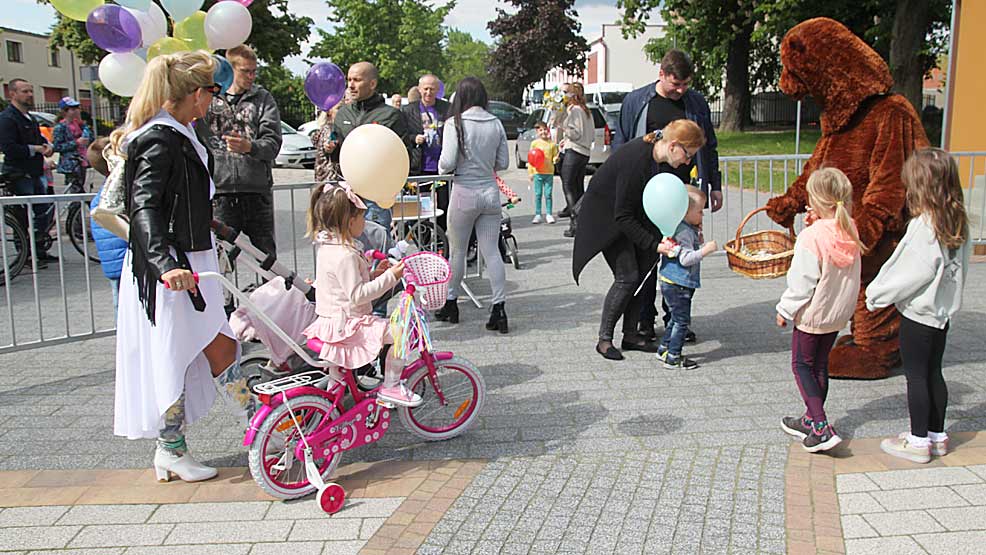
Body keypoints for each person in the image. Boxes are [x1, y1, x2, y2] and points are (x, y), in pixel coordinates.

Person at [112, 51, 255, 483]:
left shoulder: (180, 133)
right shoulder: (159, 138)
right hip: (173, 269)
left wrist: (212, 225)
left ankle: (263, 428)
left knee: (216, 347)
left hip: (190, 258)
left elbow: (178, 199)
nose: (214, 99)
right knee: (188, 352)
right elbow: (145, 208)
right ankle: (181, 445)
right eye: (211, 92)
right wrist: (164, 263)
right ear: (196, 94)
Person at [866, 148, 971, 464]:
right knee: (932, 371)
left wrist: (876, 294)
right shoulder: (958, 222)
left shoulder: (925, 226)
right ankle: (937, 435)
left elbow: (912, 271)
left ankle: (918, 440)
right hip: (941, 313)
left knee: (915, 375)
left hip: (919, 314)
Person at [572, 119, 705, 361]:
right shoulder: (637, 160)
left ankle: (631, 335)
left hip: (630, 216)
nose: (688, 162)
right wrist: (654, 243)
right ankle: (604, 340)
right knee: (628, 276)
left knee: (644, 271)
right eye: (688, 155)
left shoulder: (656, 157)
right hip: (606, 221)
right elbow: (621, 216)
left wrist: (666, 237)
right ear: (674, 145)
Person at [615, 50, 722, 342]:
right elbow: (622, 145)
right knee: (650, 256)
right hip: (648, 196)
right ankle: (644, 321)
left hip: (683, 196)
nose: (681, 90)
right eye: (676, 84)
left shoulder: (695, 102)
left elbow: (709, 145)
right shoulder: (637, 101)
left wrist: (715, 184)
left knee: (680, 255)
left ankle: (677, 319)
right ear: (661, 74)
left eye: (686, 84)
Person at [301, 182, 421, 407]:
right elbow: (358, 295)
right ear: (350, 221)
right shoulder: (345, 255)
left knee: (338, 380)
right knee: (401, 334)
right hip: (347, 326)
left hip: (332, 323)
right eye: (362, 218)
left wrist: (375, 273)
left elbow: (344, 286)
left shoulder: (328, 247)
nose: (366, 224)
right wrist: (391, 278)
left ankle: (330, 412)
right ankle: (392, 385)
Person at [775, 168, 863, 453]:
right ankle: (811, 418)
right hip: (837, 312)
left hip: (814, 314)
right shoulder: (849, 227)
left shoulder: (812, 237)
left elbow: (802, 281)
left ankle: (821, 427)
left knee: (801, 366)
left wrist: (785, 309)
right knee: (820, 365)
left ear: (814, 200)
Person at [435, 77, 518, 332]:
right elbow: (503, 162)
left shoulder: (454, 123)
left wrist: (443, 169)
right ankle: (499, 307)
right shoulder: (495, 123)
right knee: (491, 251)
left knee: (458, 251)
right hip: (489, 192)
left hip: (464, 191)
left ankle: (451, 302)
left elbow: (447, 161)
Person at [196, 44, 283, 257]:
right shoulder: (210, 97)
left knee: (267, 256)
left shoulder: (262, 98)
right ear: (230, 69)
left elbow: (273, 143)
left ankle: (274, 291)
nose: (252, 76)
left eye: (254, 71)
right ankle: (222, 293)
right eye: (246, 71)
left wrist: (250, 147)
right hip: (221, 193)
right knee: (220, 256)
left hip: (256, 191)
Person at [333, 62, 410, 230]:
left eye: (357, 80)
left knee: (376, 246)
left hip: (376, 197)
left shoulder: (391, 116)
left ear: (372, 84)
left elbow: (405, 155)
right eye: (349, 80)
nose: (351, 85)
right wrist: (329, 149)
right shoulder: (342, 114)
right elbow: (336, 153)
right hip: (348, 194)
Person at [657, 186, 718, 370]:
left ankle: (664, 348)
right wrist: (705, 251)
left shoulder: (685, 228)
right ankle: (673, 356)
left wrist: (698, 235)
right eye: (700, 211)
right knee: (682, 321)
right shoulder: (683, 232)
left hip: (673, 282)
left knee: (676, 318)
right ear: (685, 212)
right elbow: (686, 259)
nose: (702, 215)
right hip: (678, 284)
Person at [0, 78, 56, 266]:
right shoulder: (8, 118)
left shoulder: (30, 118)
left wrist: (47, 146)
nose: (29, 95)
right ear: (12, 94)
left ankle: (39, 249)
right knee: (24, 215)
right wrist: (36, 149)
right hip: (19, 174)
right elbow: (9, 148)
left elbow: (39, 138)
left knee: (44, 211)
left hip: (35, 172)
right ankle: (25, 254)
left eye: (30, 91)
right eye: (24, 91)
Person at [402, 74, 452, 227]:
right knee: (421, 207)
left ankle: (440, 238)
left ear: (438, 90)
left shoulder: (446, 108)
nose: (429, 93)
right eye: (425, 89)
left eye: (432, 89)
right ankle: (424, 239)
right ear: (419, 89)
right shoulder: (408, 110)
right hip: (420, 167)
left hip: (441, 167)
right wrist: (413, 138)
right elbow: (402, 135)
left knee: (444, 205)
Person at [86, 137, 128, 314]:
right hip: (126, 263)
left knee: (120, 305)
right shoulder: (115, 198)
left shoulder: (101, 198)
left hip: (113, 265)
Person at [559, 83, 593, 238]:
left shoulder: (575, 111)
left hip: (574, 151)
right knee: (578, 187)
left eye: (566, 93)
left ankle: (575, 221)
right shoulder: (587, 111)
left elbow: (576, 133)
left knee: (568, 186)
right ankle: (583, 221)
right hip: (584, 153)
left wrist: (564, 127)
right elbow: (589, 134)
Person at [52, 96, 93, 194]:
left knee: (79, 187)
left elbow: (90, 137)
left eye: (77, 109)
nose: (76, 111)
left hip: (82, 160)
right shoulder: (60, 127)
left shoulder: (80, 125)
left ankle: (79, 207)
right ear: (65, 111)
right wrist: (76, 143)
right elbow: (57, 146)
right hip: (71, 164)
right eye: (73, 109)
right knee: (76, 189)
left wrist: (82, 124)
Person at [527, 121, 559, 224]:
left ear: (548, 130)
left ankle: (549, 214)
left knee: (548, 194)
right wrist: (531, 173)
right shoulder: (535, 144)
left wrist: (556, 159)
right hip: (538, 173)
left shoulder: (552, 144)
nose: (543, 132)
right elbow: (531, 159)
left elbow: (554, 157)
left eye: (545, 129)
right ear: (537, 132)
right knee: (538, 194)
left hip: (549, 172)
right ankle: (538, 214)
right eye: (540, 130)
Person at [312, 104, 343, 184]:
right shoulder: (331, 129)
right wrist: (329, 146)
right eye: (339, 108)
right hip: (331, 178)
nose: (342, 111)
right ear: (329, 112)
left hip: (322, 177)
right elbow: (329, 145)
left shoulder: (324, 128)